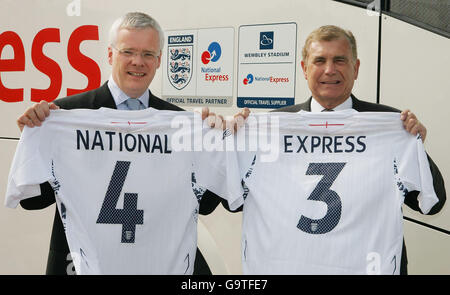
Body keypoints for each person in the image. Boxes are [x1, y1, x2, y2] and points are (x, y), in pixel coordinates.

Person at [222, 25, 446, 274]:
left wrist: (416, 149)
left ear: (356, 68)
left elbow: (433, 203)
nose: (330, 70)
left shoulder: (390, 124)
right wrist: (230, 145)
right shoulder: (270, 127)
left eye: (340, 60)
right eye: (320, 60)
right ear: (304, 69)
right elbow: (233, 202)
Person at [15, 12, 225, 275]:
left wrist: (218, 144)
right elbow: (32, 201)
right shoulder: (66, 115)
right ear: (110, 55)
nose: (138, 62)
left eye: (148, 54)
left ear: (159, 60)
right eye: (128, 51)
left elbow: (204, 204)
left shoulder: (181, 123)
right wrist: (34, 141)